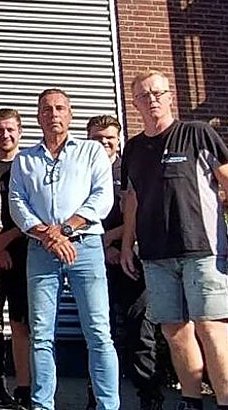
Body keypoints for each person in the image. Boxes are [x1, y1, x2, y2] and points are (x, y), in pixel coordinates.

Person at [120, 70, 228, 410]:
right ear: (134, 102)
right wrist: (126, 244)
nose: (151, 99)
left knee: (212, 329)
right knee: (174, 332)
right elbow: (133, 199)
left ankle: (227, 403)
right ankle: (190, 401)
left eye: (157, 92)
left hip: (203, 251)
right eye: (143, 95)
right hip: (156, 256)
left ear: (169, 96)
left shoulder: (198, 134)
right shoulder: (133, 149)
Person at [9, 88, 117, 410]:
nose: (53, 114)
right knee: (41, 335)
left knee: (98, 332)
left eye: (59, 108)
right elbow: (18, 204)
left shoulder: (91, 152)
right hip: (41, 251)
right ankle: (42, 405)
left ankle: (107, 405)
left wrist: (66, 230)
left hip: (85, 248)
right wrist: (49, 236)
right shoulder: (24, 160)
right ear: (38, 116)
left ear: (69, 114)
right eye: (46, 109)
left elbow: (102, 197)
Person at [85, 115, 162, 410]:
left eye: (109, 139)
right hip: (93, 262)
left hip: (132, 262)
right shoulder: (82, 171)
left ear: (118, 140)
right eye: (97, 138)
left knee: (141, 332)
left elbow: (141, 213)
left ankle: (149, 398)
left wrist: (116, 241)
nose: (104, 143)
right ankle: (97, 398)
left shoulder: (131, 170)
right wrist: (102, 248)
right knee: (99, 334)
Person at [0, 109, 30, 410]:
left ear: (20, 131)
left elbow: (38, 209)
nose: (5, 135)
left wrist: (9, 238)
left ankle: (25, 389)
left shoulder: (30, 165)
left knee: (20, 325)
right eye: (0, 130)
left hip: (25, 256)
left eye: (10, 129)